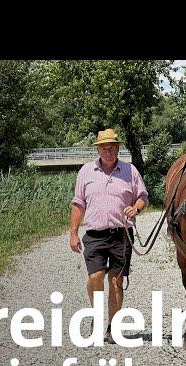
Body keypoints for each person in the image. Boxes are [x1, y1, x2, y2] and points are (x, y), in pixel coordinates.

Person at [69, 128, 149, 342]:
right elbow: (78, 203)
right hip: (94, 234)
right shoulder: (86, 171)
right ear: (98, 149)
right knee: (95, 278)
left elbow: (142, 196)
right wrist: (73, 233)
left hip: (121, 234)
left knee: (116, 281)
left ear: (118, 148)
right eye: (104, 147)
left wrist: (136, 208)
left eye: (112, 147)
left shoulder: (130, 170)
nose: (108, 151)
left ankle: (112, 328)